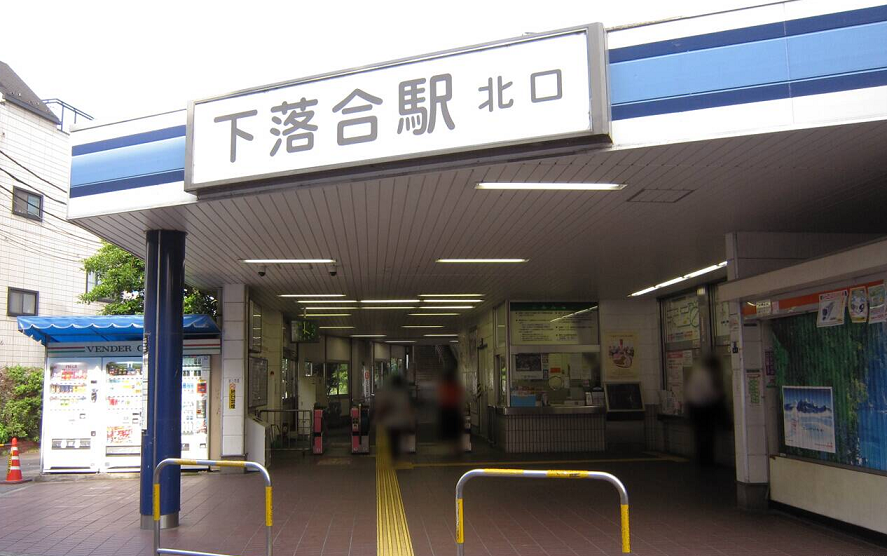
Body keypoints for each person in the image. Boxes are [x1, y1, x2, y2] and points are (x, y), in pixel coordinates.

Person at [685, 354, 727, 467]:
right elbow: (711, 393)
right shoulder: (706, 375)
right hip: (703, 410)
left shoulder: (697, 373)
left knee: (700, 435)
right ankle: (706, 461)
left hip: (694, 409)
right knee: (706, 436)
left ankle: (702, 460)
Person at [374, 374, 413, 461]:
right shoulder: (403, 395)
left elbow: (383, 407)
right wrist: (411, 421)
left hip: (390, 423)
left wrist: (377, 418)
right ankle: (397, 456)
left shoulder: (388, 394)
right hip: (401, 422)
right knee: (398, 441)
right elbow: (408, 409)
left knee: (392, 441)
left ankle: (394, 457)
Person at [437, 368, 465, 457]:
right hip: (455, 411)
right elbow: (460, 399)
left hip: (446, 411)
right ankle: (457, 449)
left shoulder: (443, 387)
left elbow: (441, 399)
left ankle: (451, 450)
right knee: (456, 432)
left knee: (448, 432)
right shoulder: (457, 387)